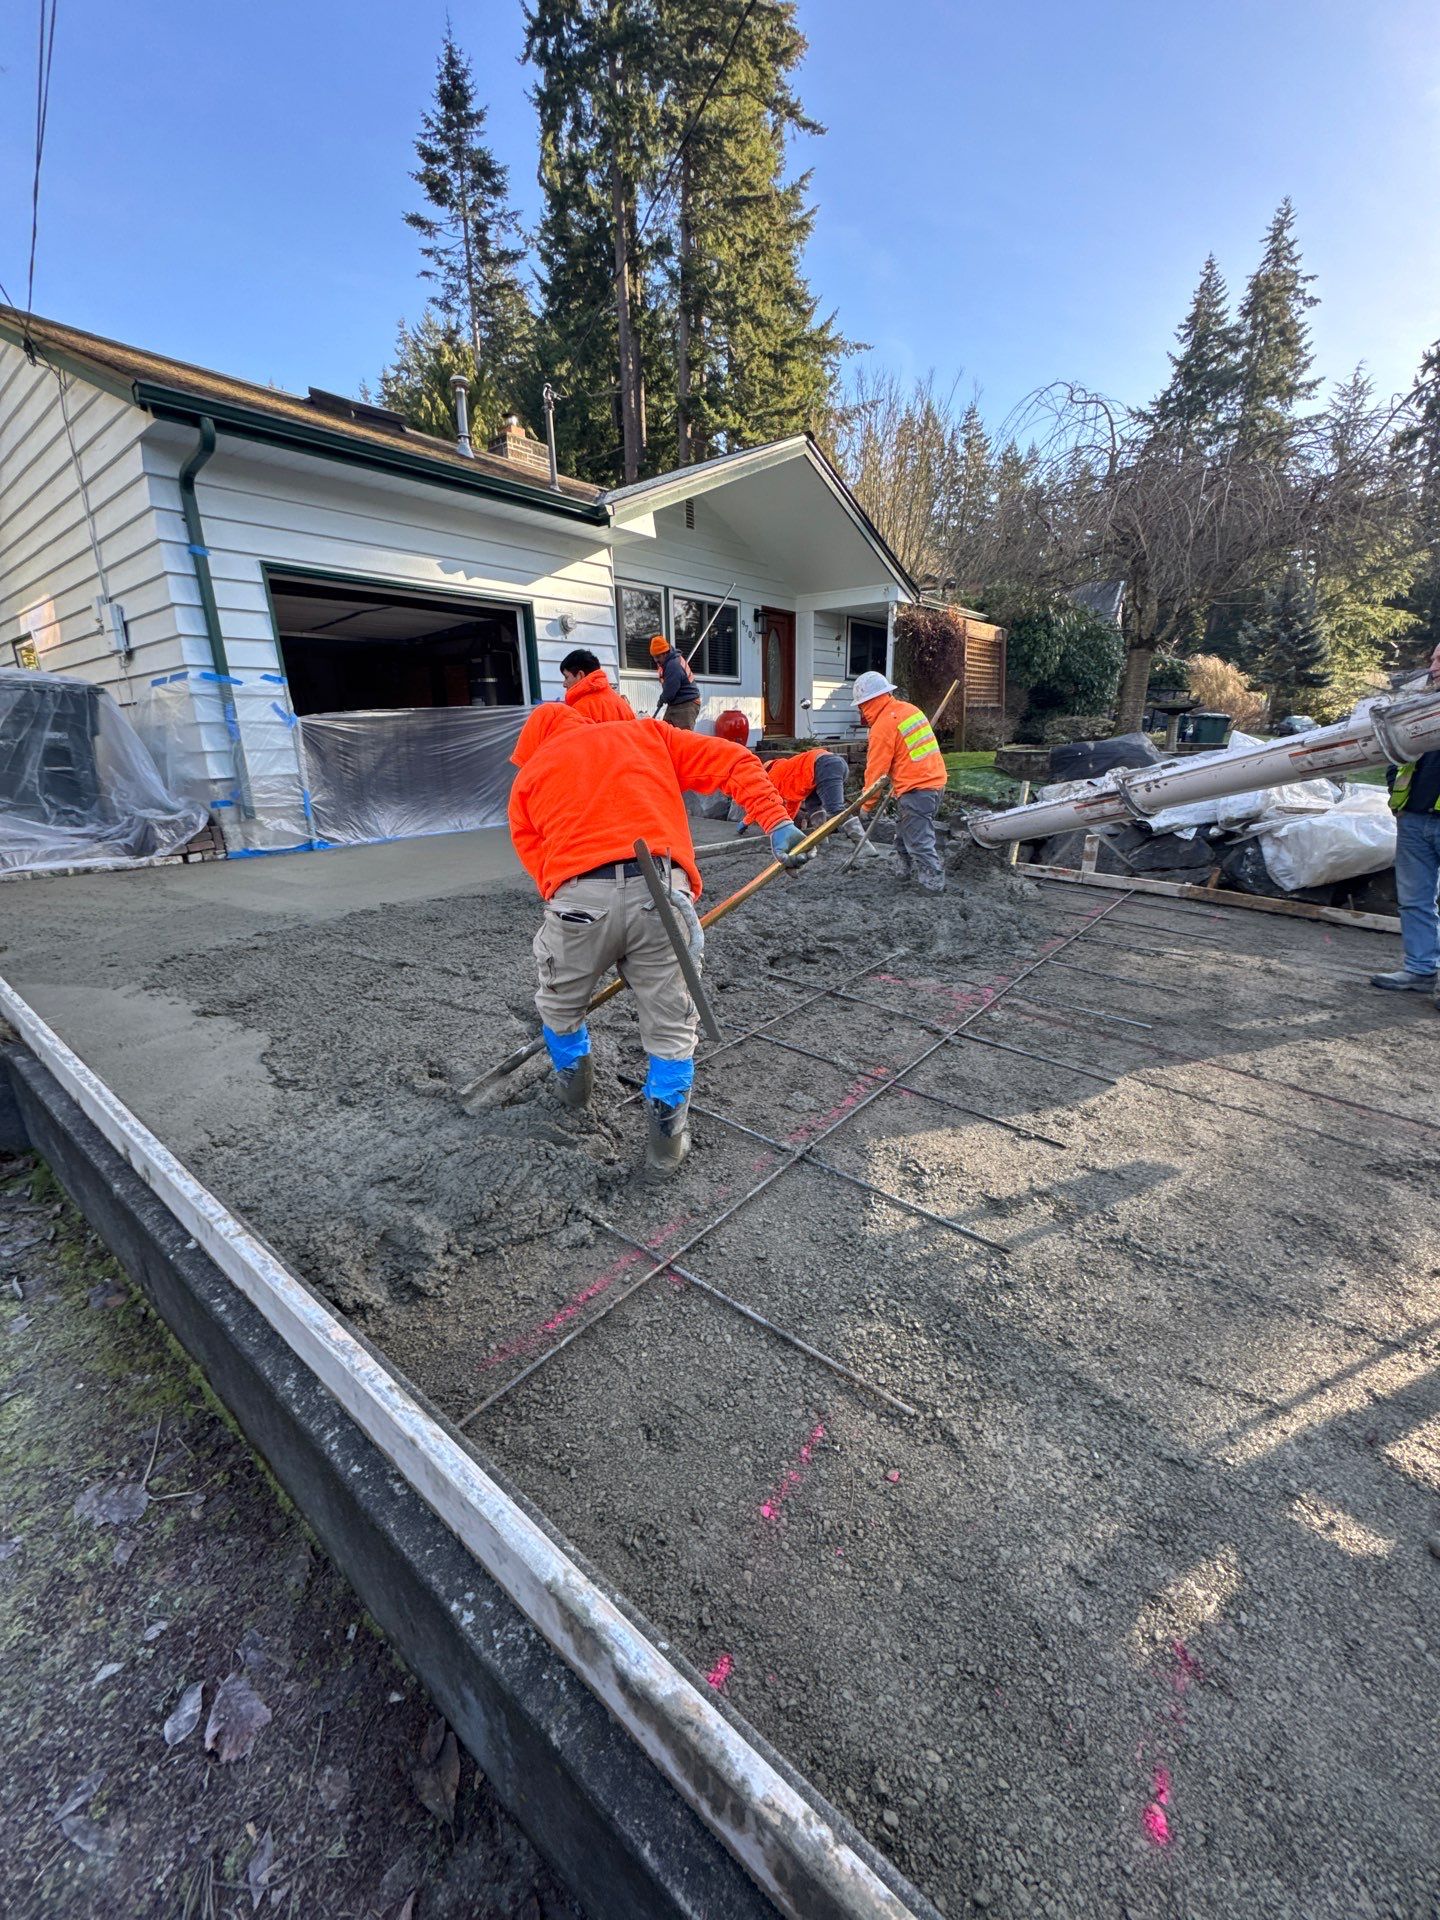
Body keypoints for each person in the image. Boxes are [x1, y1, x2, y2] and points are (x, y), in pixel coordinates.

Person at [507, 706, 807, 1174]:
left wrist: (585, 904)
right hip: (663, 894)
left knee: (560, 1006)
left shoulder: (532, 774)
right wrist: (777, 822)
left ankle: (573, 1093)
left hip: (578, 900)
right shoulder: (647, 734)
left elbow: (535, 855)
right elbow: (734, 761)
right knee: (671, 1026)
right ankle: (665, 1151)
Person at [1371, 638, 1440, 1003]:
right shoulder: (1420, 710)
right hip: (1413, 818)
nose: (1434, 667)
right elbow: (1396, 756)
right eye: (1433, 659)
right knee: (1415, 901)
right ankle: (1420, 968)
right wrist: (1396, 799)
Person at [851, 669, 949, 892]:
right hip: (933, 783)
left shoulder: (883, 726)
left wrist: (867, 805)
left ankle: (932, 885)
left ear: (867, 703)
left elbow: (875, 771)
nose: (861, 712)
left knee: (919, 841)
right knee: (904, 834)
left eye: (861, 706)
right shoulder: (909, 710)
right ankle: (902, 872)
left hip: (917, 788)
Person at [735, 746, 869, 847]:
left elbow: (761, 804)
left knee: (835, 809)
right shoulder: (787, 770)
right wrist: (787, 826)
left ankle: (864, 846)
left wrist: (745, 823)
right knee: (813, 805)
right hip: (830, 764)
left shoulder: (773, 777)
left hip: (823, 765)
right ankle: (822, 840)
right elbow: (793, 805)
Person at [560, 648, 635, 723]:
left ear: (580, 675)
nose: (564, 684)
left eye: (566, 677)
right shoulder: (623, 705)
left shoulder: (581, 710)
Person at [649, 633, 702, 729]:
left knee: (682, 738)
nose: (655, 660)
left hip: (688, 703)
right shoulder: (667, 663)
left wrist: (662, 699)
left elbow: (670, 691)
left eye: (657, 657)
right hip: (677, 702)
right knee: (666, 731)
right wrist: (663, 698)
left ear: (665, 653)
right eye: (654, 657)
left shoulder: (673, 665)